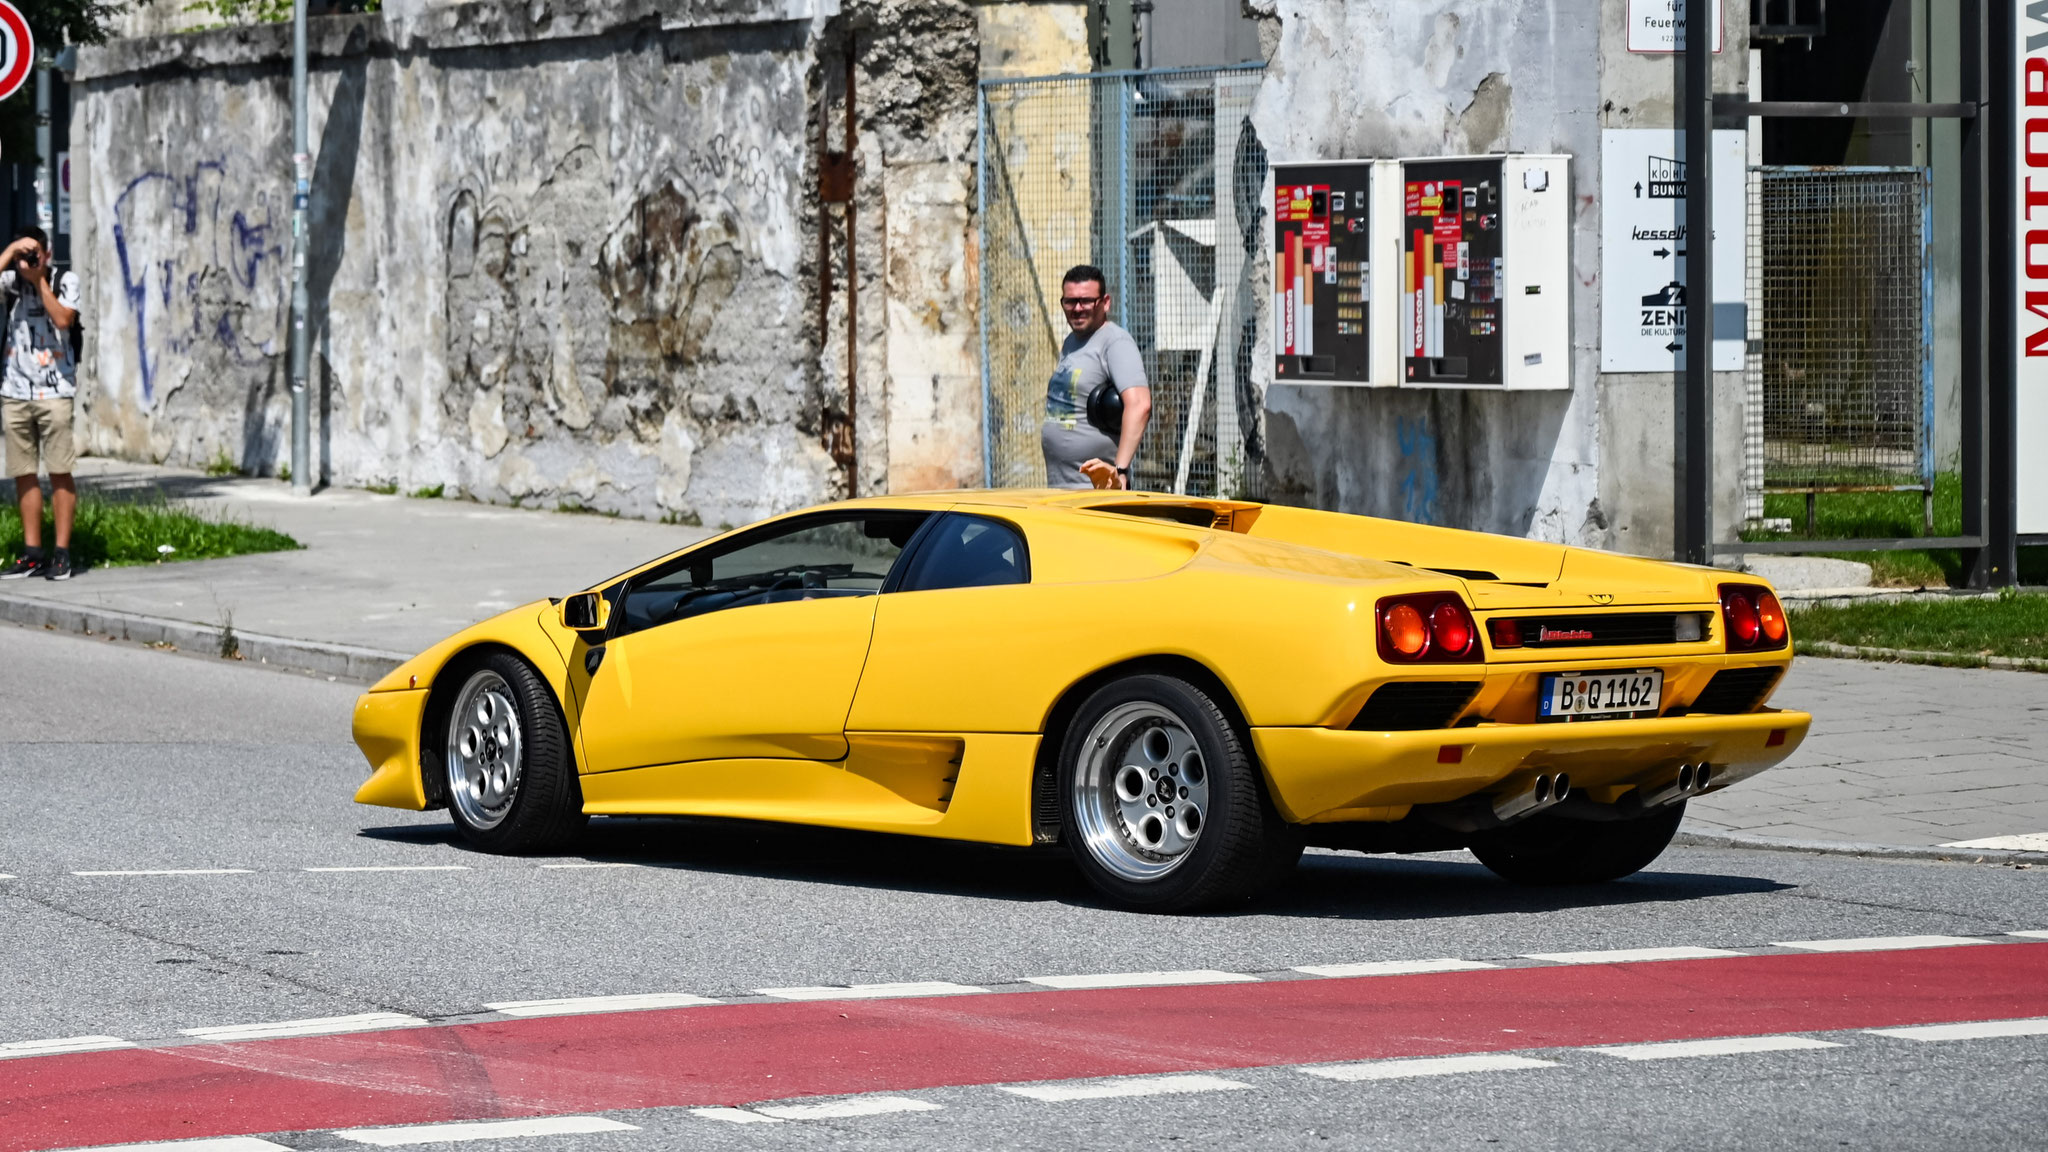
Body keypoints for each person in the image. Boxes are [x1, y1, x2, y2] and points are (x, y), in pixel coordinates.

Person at [0, 227, 81, 580]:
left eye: (34, 254)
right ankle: (32, 553)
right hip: (15, 391)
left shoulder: (65, 279)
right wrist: (9, 252)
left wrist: (40, 280)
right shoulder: (10, 282)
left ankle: (61, 554)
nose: (27, 261)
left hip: (56, 392)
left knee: (60, 471)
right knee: (23, 474)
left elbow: (64, 319)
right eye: (24, 256)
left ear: (47, 255)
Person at [1042, 264, 1152, 489]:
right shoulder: (1071, 343)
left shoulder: (1115, 343)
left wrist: (1120, 471)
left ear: (1105, 302)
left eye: (1086, 301)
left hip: (1095, 492)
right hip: (1060, 485)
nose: (1078, 308)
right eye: (1070, 301)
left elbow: (1140, 404)